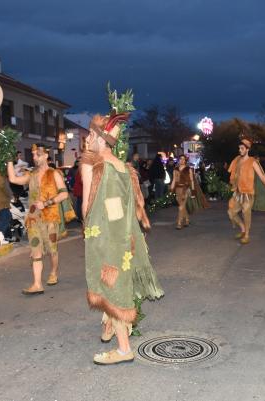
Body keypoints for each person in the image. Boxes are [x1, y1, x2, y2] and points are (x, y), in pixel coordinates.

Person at [81, 113, 163, 365]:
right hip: (124, 238)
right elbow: (129, 207)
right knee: (116, 283)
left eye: (90, 135)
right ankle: (110, 324)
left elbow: (86, 207)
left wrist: (90, 232)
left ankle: (124, 349)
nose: (86, 139)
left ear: (97, 137)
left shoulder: (92, 165)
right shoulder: (123, 167)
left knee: (109, 287)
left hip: (104, 239)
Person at [7, 143, 69, 294]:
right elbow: (14, 179)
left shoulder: (54, 174)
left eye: (37, 155)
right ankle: (37, 284)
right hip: (34, 219)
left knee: (52, 250)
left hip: (50, 219)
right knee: (36, 251)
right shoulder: (32, 174)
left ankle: (53, 272)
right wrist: (9, 160)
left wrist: (47, 203)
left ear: (46, 156)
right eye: (33, 155)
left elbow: (64, 194)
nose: (34, 157)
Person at [227, 138, 265, 244]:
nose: (240, 150)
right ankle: (242, 229)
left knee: (246, 211)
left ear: (247, 149)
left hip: (248, 193)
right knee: (231, 213)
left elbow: (262, 177)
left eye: (242, 148)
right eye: (239, 148)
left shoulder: (252, 162)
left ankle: (247, 235)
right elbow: (234, 175)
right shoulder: (237, 160)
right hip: (238, 192)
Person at [170, 155, 195, 229]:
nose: (182, 160)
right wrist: (171, 189)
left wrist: (193, 191)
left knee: (181, 207)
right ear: (178, 160)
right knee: (182, 206)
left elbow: (192, 180)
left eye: (183, 159)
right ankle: (187, 219)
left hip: (185, 189)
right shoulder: (175, 169)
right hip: (177, 189)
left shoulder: (188, 169)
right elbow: (174, 180)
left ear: (185, 161)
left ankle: (179, 223)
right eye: (180, 159)